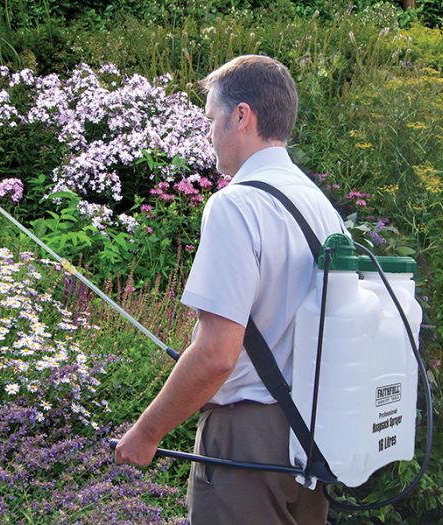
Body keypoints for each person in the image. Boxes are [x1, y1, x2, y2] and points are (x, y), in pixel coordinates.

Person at [114, 55, 347, 524]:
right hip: (312, 439)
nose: (208, 135)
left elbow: (217, 355)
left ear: (241, 116)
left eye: (210, 120)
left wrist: (146, 433)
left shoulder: (236, 205)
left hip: (247, 442)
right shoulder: (321, 207)